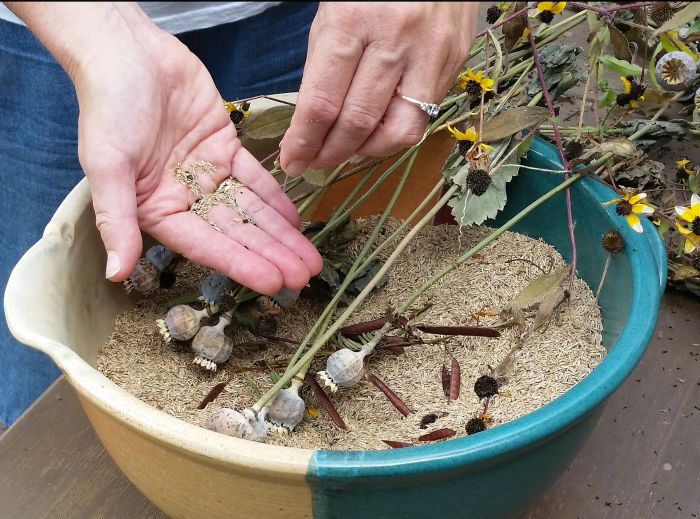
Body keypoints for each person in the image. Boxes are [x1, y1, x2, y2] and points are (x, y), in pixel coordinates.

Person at [0, 2, 478, 429]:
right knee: (42, 396)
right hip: (52, 25)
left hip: (299, 19)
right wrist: (98, 34)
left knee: (301, 192)